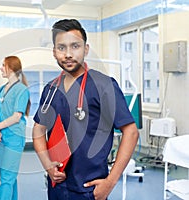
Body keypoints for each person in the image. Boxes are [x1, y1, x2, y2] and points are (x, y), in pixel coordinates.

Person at [32, 19, 139, 200]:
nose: (68, 54)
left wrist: (110, 182)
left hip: (90, 189)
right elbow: (38, 130)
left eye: (75, 46)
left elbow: (131, 132)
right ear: (54, 52)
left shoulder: (104, 85)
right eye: (61, 47)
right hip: (57, 186)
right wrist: (48, 165)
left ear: (86, 49)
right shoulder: (50, 89)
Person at [0, 56, 30, 200]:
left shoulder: (22, 90)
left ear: (11, 68)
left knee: (6, 179)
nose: (1, 68)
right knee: (9, 177)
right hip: (2, 138)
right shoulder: (2, 89)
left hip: (14, 138)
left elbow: (16, 117)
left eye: (3, 65)